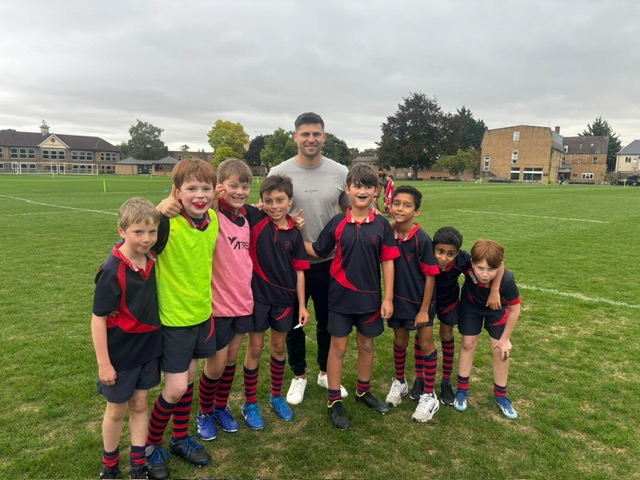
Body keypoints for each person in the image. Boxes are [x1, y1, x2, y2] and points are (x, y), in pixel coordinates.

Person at [306, 163, 400, 429]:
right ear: (347, 189)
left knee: (367, 345)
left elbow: (388, 262)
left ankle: (363, 391)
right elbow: (318, 249)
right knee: (339, 347)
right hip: (339, 298)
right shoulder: (337, 222)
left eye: (368, 187)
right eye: (357, 186)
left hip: (370, 298)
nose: (362, 191)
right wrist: (287, 234)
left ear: (376, 191)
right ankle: (334, 400)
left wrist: (388, 298)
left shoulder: (381, 224)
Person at [269, 112, 350, 405]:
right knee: (294, 323)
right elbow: (269, 213)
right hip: (290, 264)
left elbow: (350, 211)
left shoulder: (340, 171)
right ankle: (299, 375)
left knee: (329, 322)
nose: (311, 139)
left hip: (330, 261)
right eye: (305, 134)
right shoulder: (279, 171)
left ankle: (326, 372)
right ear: (295, 137)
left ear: (324, 137)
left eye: (316, 134)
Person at [145, 159, 219, 480]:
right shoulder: (166, 224)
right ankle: (149, 448)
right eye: (191, 188)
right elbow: (133, 240)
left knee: (188, 381)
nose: (199, 195)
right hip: (173, 320)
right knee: (174, 389)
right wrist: (158, 212)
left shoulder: (213, 218)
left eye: (206, 188)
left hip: (202, 315)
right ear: (177, 192)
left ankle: (179, 439)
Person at [91, 198, 162, 480]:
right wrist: (104, 363)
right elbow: (98, 318)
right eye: (138, 232)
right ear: (121, 231)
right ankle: (109, 466)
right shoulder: (111, 269)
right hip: (120, 355)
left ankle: (137, 463)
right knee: (117, 410)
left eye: (152, 232)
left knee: (141, 404)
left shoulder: (153, 257)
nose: (146, 239)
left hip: (148, 349)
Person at [246, 174, 311, 422]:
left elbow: (300, 271)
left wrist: (302, 305)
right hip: (258, 299)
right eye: (268, 200)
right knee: (254, 349)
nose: (275, 206)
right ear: (261, 202)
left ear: (290, 201)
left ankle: (276, 397)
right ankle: (250, 403)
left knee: (278, 348)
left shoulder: (295, 233)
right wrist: (254, 207)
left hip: (285, 301)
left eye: (280, 200)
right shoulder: (256, 219)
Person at [384, 186, 441, 422]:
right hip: (397, 301)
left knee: (426, 343)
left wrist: (424, 309)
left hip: (421, 303)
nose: (400, 208)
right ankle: (400, 382)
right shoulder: (389, 234)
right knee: (399, 341)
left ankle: (429, 395)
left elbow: (430, 276)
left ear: (416, 211)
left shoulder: (422, 239)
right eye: (397, 203)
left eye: (407, 205)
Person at [430, 227, 502, 406]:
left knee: (446, 334)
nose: (444, 258)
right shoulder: (426, 254)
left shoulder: (463, 260)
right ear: (433, 248)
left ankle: (446, 381)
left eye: (450, 253)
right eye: (440, 252)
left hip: (449, 300)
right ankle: (421, 380)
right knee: (423, 337)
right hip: (426, 301)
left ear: (458, 252)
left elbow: (498, 264)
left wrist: (494, 290)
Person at [454, 239, 521, 420]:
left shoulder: (507, 278)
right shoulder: (466, 263)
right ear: (473, 264)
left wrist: (505, 339)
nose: (485, 274)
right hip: (470, 306)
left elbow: (515, 309)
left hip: (497, 309)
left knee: (500, 351)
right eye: (480, 268)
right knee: (468, 343)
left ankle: (501, 396)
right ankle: (462, 391)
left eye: (491, 270)